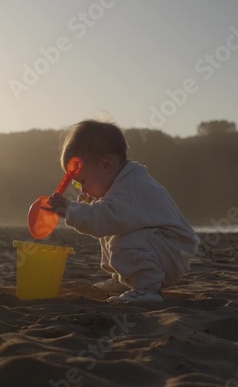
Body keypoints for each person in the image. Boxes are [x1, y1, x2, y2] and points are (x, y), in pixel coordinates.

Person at [48, 120, 200, 302]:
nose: (82, 190)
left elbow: (105, 218)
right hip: (162, 249)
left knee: (121, 236)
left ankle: (147, 289)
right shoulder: (123, 182)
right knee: (114, 231)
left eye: (82, 182)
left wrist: (69, 209)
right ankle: (127, 278)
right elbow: (107, 218)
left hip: (171, 253)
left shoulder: (132, 187)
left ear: (105, 165)